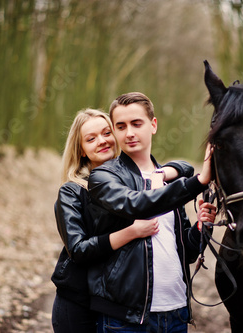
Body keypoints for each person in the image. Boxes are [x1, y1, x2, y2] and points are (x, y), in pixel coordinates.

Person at [51, 109, 201, 333]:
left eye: (106, 133)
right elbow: (78, 249)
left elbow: (185, 168)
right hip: (79, 298)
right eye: (91, 139)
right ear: (80, 149)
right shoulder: (72, 191)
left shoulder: (133, 181)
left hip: (117, 300)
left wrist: (162, 173)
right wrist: (132, 232)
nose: (102, 141)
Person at [87, 92, 215, 333]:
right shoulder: (104, 177)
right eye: (121, 126)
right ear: (114, 132)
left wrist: (201, 227)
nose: (130, 133)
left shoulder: (170, 181)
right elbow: (138, 204)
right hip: (125, 319)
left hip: (176, 314)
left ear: (153, 125)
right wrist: (198, 181)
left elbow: (185, 251)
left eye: (137, 123)